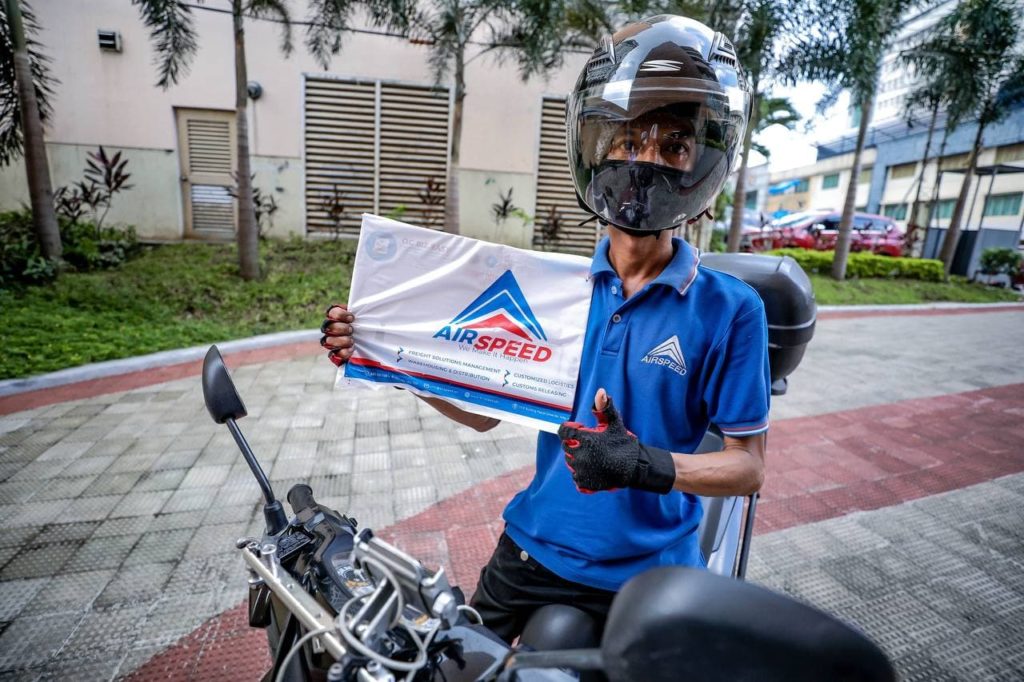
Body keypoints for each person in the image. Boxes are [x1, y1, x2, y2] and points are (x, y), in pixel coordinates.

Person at [322, 14, 769, 644]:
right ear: (598, 148)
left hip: (652, 572)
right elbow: (483, 415)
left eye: (673, 145)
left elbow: (747, 467)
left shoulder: (731, 309)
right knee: (456, 661)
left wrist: (643, 464)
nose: (645, 162)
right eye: (629, 140)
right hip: (532, 549)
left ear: (704, 162)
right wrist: (392, 356)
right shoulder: (551, 290)